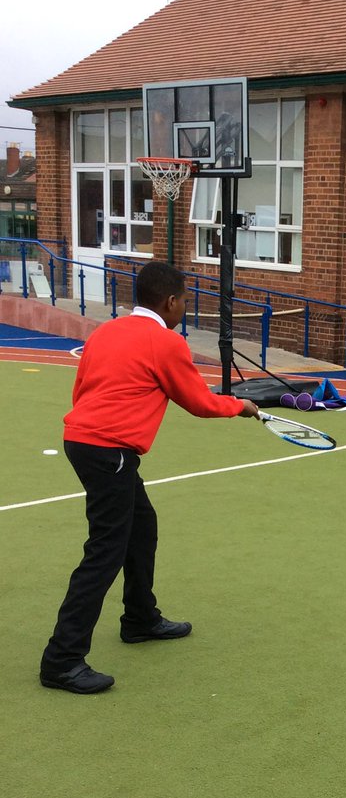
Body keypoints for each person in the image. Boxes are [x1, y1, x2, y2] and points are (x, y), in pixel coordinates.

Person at [39, 261, 260, 695]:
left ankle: (139, 618)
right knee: (105, 551)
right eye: (184, 300)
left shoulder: (106, 331)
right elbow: (198, 401)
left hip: (83, 440)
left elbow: (83, 387)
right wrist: (241, 407)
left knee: (142, 527)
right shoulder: (166, 342)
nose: (184, 307)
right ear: (171, 301)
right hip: (109, 451)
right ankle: (61, 661)